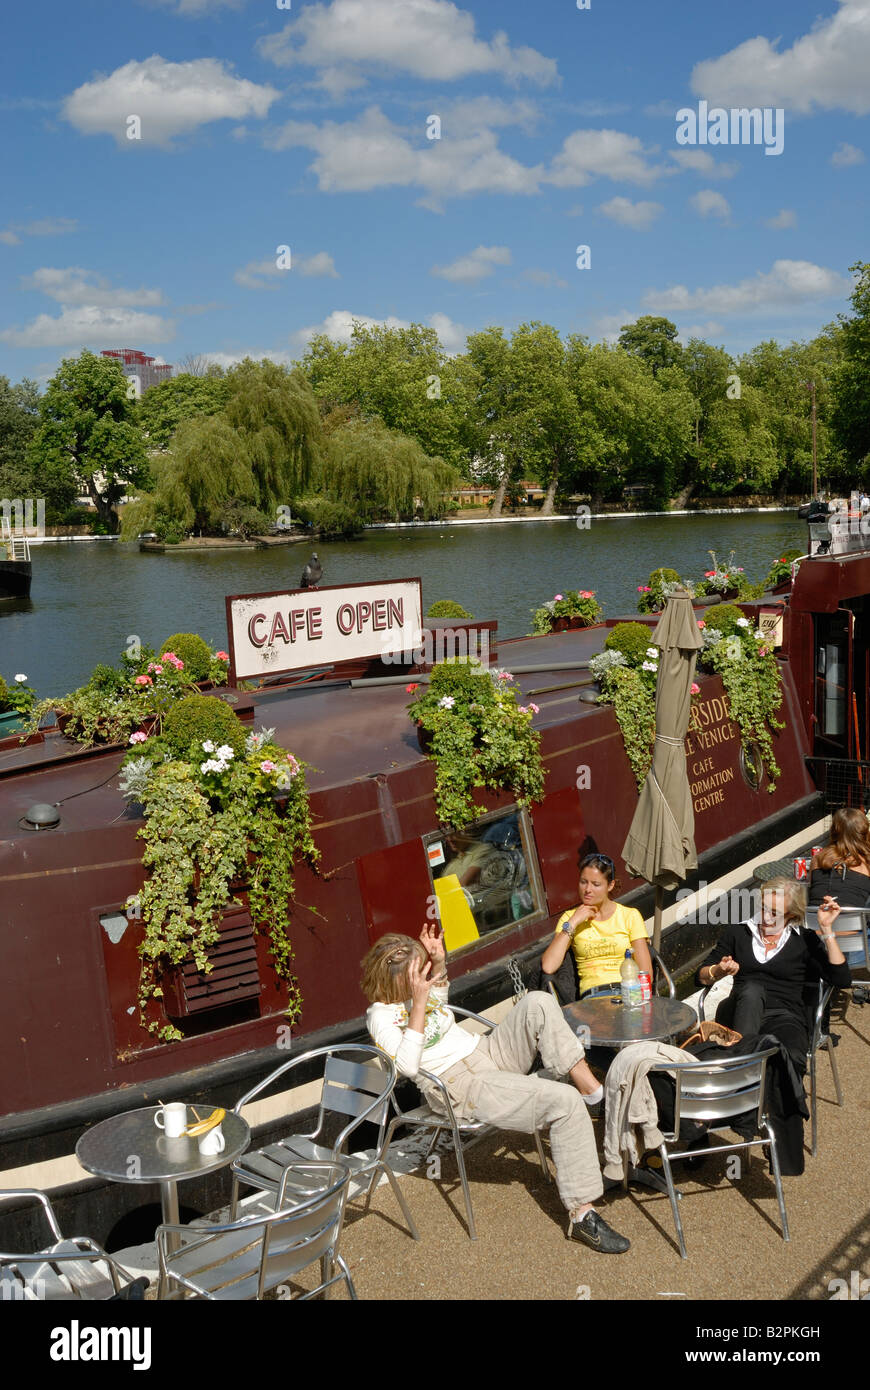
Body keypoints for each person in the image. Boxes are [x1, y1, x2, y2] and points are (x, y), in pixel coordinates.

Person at [361, 922, 631, 1253]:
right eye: (417, 974)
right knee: (563, 1101)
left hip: (485, 1051)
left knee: (537, 1002)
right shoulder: (380, 1016)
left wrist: (440, 962)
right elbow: (406, 1067)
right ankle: (582, 1213)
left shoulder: (421, 987)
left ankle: (591, 1091)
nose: (425, 976)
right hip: (459, 1085)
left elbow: (440, 1002)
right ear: (394, 981)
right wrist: (417, 1003)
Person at [696, 877, 850, 1171]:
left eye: (774, 913)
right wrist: (719, 969)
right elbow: (700, 976)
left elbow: (841, 980)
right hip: (739, 1014)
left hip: (783, 1017)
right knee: (752, 991)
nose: (765, 917)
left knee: (788, 1057)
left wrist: (828, 931)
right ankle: (752, 1110)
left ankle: (766, 1130)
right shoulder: (739, 933)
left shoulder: (804, 940)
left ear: (791, 915)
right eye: (763, 908)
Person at [540, 853, 652, 999]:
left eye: (596, 884)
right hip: (593, 998)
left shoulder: (629, 916)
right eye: (583, 882)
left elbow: (645, 972)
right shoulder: (569, 918)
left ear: (610, 885)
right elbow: (548, 965)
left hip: (628, 992)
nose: (587, 889)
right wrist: (574, 922)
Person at [807, 808, 870, 966]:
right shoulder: (867, 863)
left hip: (815, 945)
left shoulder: (817, 859)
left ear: (834, 830)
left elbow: (811, 887)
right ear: (864, 831)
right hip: (855, 950)